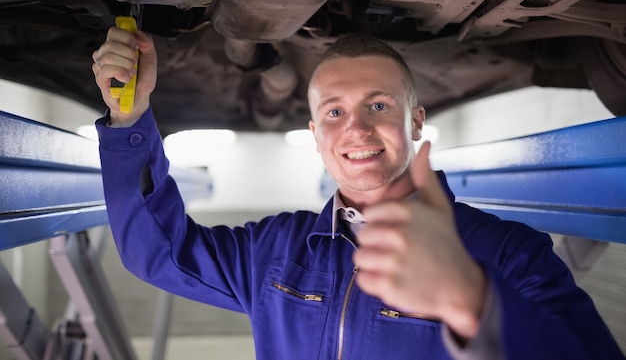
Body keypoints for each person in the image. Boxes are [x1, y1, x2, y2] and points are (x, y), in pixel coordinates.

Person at [92, 28, 623, 360]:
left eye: (379, 106)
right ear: (317, 134)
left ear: (416, 120)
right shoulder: (274, 250)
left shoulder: (508, 252)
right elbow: (158, 254)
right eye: (335, 112)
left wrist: (478, 301)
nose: (357, 131)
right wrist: (129, 120)